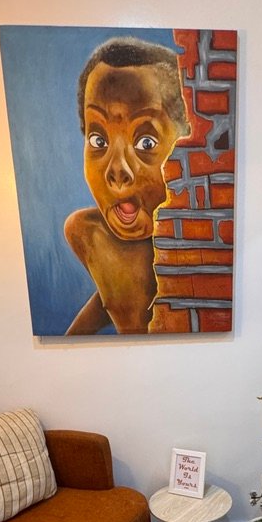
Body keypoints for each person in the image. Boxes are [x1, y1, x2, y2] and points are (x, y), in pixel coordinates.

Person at [64, 37, 190, 334]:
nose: (117, 170)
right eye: (98, 140)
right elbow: (115, 298)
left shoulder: (194, 251)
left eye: (146, 142)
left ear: (187, 146)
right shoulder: (88, 234)